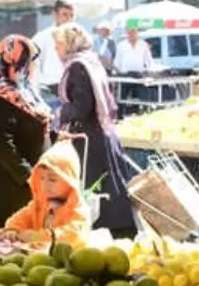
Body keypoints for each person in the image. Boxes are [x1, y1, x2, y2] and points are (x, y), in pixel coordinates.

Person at [54, 22, 138, 239]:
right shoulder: (91, 61)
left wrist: (60, 114)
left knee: (97, 189)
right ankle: (124, 234)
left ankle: (117, 235)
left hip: (89, 139)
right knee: (110, 186)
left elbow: (82, 105)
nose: (56, 49)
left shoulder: (77, 66)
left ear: (70, 44)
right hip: (102, 132)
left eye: (59, 44)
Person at [0, 34, 51, 225]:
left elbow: (35, 124)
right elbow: (0, 142)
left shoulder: (24, 89)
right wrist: (27, 175)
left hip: (29, 182)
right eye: (26, 61)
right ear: (11, 59)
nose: (31, 67)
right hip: (10, 187)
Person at [5, 139, 90, 248]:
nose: (45, 184)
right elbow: (22, 217)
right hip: (41, 259)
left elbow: (74, 234)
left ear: (70, 182)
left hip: (69, 261)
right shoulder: (40, 204)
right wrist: (14, 228)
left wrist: (42, 236)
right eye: (42, 178)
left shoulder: (78, 210)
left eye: (52, 180)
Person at [32, 0, 75, 102]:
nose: (68, 19)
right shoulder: (42, 37)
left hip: (71, 91)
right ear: (54, 15)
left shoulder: (77, 37)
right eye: (64, 14)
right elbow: (32, 64)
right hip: (49, 92)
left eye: (71, 15)